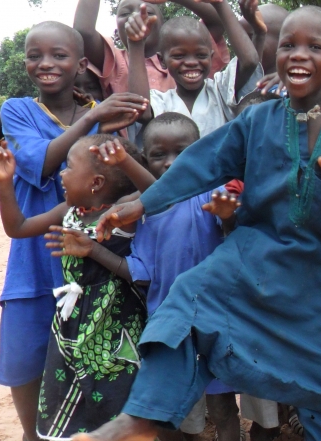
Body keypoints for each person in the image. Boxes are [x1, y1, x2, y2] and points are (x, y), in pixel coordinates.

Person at [70, 6, 321, 441]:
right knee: (187, 300)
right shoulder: (256, 120)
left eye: (314, 47)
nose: (298, 54)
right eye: (288, 45)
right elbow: (201, 163)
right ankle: (142, 417)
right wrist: (143, 204)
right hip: (251, 257)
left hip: (319, 280)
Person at [0, 21, 147, 441]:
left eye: (58, 55)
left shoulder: (102, 113)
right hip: (34, 263)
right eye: (34, 56)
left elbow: (137, 128)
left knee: (93, 382)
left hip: (92, 273)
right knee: (26, 370)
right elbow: (42, 164)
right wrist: (94, 117)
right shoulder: (17, 111)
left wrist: (133, 51)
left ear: (81, 64)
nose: (45, 63)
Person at [89, 113, 244, 441]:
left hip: (216, 321)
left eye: (182, 153)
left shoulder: (212, 194)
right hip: (168, 325)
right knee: (166, 409)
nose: (171, 163)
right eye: (159, 155)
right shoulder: (143, 211)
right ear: (146, 160)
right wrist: (92, 250)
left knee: (222, 406)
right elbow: (139, 272)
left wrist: (228, 217)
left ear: (201, 154)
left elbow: (236, 238)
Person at [0, 134, 146, 439]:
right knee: (72, 393)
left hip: (117, 323)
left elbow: (158, 192)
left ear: (96, 183)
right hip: (73, 325)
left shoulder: (123, 212)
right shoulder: (67, 212)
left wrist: (125, 161)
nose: (61, 174)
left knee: (117, 395)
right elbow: (17, 227)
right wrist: (4, 182)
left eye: (69, 167)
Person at [125, 1, 261, 136]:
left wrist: (220, 4)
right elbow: (141, 110)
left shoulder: (221, 91)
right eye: (179, 56)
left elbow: (249, 62)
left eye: (201, 55)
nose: (191, 63)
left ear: (211, 57)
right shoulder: (160, 101)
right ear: (162, 61)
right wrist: (136, 43)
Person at [73, 0, 231, 99]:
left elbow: (217, 22)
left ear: (163, 24)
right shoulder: (113, 61)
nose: (137, 16)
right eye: (125, 13)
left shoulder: (190, 55)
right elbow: (83, 32)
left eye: (148, 12)